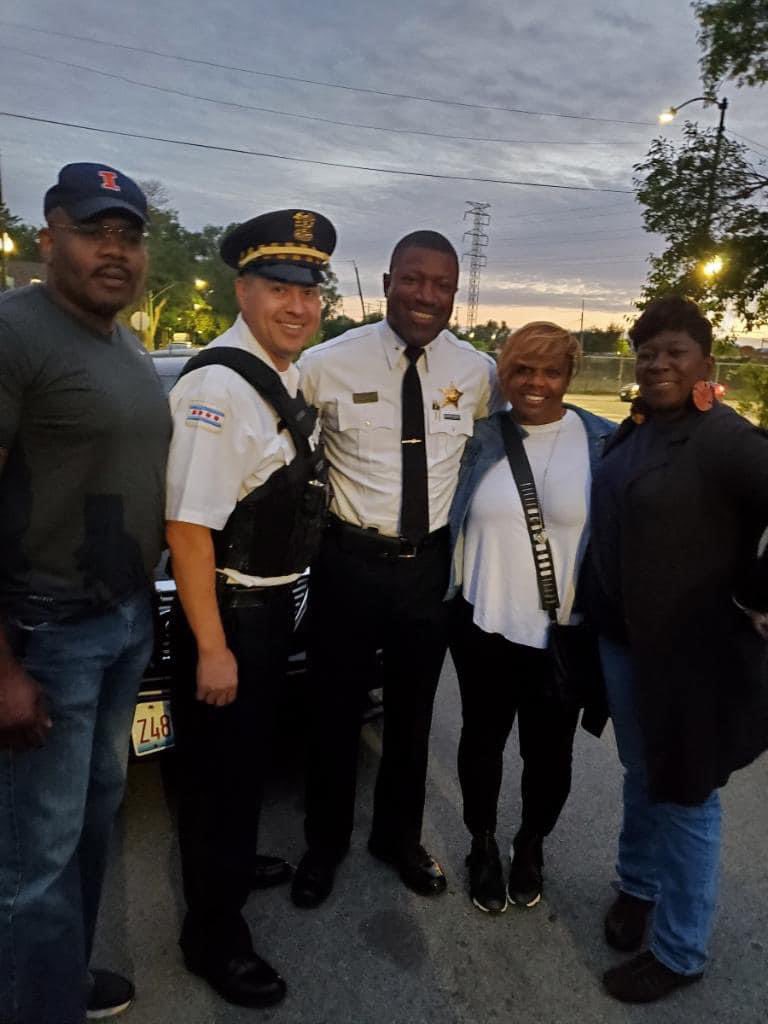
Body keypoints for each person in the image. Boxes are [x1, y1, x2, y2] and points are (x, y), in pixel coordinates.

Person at [0, 163, 170, 1024]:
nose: (116, 250)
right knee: (36, 854)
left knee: (95, 817)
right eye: (95, 230)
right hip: (48, 632)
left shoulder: (125, 343)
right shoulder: (14, 333)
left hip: (123, 622)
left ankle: (55, 977)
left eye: (130, 235)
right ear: (48, 239)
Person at [291, 230, 501, 908]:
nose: (428, 295)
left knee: (412, 719)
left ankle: (397, 839)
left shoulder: (476, 373)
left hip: (427, 569)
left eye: (442, 284)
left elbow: (526, 431)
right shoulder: (326, 363)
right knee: (331, 715)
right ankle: (324, 844)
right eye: (414, 279)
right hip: (347, 561)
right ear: (387, 281)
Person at [165, 208, 335, 1008]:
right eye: (278, 288)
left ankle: (229, 868)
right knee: (217, 781)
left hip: (272, 609)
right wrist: (212, 647)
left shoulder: (285, 372)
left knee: (244, 769)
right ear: (244, 289)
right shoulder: (217, 385)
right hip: (228, 612)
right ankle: (212, 938)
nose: (298, 306)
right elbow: (189, 529)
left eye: (310, 292)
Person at [589, 296, 768, 1003]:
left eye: (675, 352)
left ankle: (681, 949)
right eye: (648, 352)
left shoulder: (721, 435)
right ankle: (638, 887)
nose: (658, 363)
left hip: (692, 657)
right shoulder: (639, 428)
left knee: (688, 796)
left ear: (706, 363)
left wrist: (757, 594)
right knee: (642, 772)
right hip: (626, 646)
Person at [446, 322, 613, 914]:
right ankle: (483, 843)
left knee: (550, 757)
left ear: (570, 375)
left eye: (551, 371)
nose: (536, 383)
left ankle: (531, 844)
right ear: (504, 374)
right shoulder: (478, 439)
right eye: (522, 369)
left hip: (561, 637)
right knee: (482, 743)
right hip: (483, 625)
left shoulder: (603, 443)